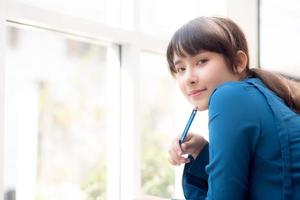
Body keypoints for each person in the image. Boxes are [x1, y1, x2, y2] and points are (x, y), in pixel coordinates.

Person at [167, 16, 300, 200]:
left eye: (201, 61)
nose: (189, 78)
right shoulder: (261, 94)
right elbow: (263, 176)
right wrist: (201, 151)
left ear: (238, 62)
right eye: (181, 68)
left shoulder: (230, 96)